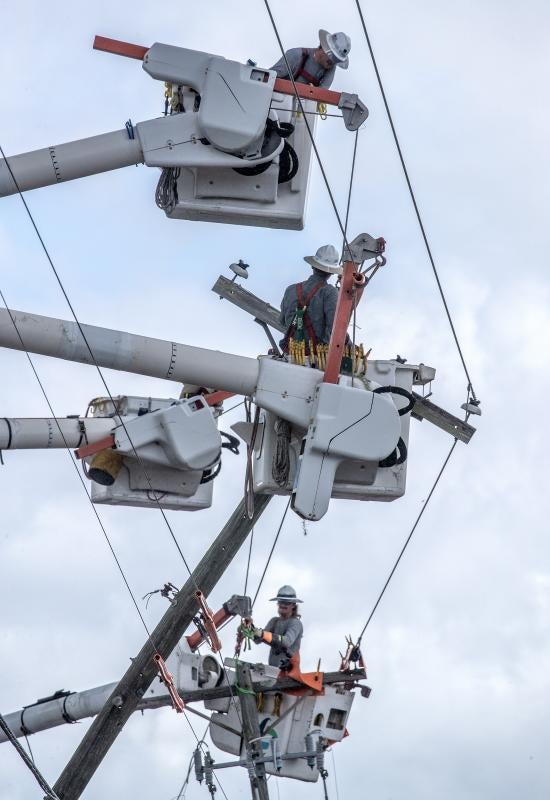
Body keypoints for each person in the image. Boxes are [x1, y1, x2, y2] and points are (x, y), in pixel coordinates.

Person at [279, 244, 342, 352]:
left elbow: (282, 321)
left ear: (313, 266)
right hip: (316, 360)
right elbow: (334, 330)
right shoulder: (330, 292)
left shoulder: (290, 290)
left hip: (290, 353)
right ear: (332, 272)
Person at [270, 30, 351, 90]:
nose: (333, 62)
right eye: (333, 57)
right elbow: (266, 79)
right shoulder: (295, 55)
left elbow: (321, 95)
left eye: (337, 60)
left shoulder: (330, 68)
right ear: (323, 47)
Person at [250, 585, 304, 670]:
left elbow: (286, 642)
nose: (282, 605)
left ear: (293, 605)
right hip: (273, 672)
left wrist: (262, 634)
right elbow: (258, 640)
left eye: (286, 603)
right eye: (281, 602)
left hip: (289, 674)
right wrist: (250, 628)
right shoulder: (274, 621)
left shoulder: (295, 623)